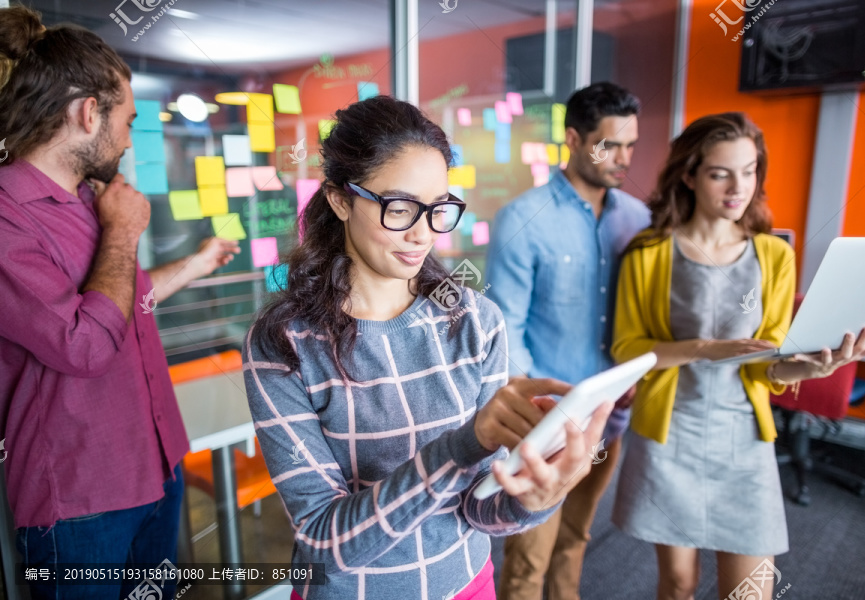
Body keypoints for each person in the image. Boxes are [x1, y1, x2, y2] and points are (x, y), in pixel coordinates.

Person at [242, 95, 613, 600]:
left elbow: (477, 510)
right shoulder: (285, 342)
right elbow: (324, 544)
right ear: (340, 199)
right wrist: (463, 446)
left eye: (439, 209)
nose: (422, 234)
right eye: (399, 208)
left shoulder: (475, 322)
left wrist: (535, 499)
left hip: (467, 585)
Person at [0, 6, 239, 600]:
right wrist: (124, 233)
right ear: (88, 113)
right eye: (128, 120)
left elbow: (119, 300)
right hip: (81, 504)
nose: (132, 139)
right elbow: (83, 342)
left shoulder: (93, 201)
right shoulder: (8, 216)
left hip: (156, 465)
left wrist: (195, 264)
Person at [610, 112, 865, 600]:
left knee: (750, 591)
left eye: (750, 170)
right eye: (720, 173)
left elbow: (772, 362)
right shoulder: (649, 252)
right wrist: (704, 349)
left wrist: (818, 365)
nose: (739, 187)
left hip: (744, 440)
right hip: (670, 437)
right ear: (690, 175)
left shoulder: (774, 256)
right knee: (677, 585)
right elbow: (627, 349)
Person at [487, 82, 650, 600]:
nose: (623, 159)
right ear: (575, 139)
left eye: (631, 146)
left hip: (612, 416)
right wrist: (543, 413)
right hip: (549, 423)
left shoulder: (638, 219)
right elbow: (506, 329)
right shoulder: (522, 218)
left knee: (577, 537)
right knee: (529, 556)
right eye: (610, 146)